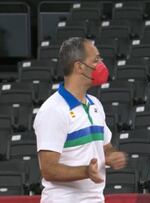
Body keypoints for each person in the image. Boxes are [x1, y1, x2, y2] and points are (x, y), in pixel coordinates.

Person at [33, 37, 127, 203]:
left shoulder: (95, 104)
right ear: (79, 66)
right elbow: (48, 169)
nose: (101, 64)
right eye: (96, 59)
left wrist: (112, 155)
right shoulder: (53, 110)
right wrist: (85, 172)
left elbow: (105, 147)